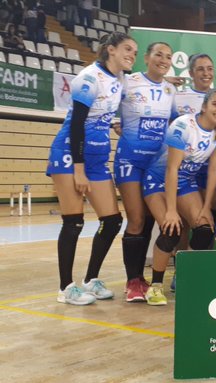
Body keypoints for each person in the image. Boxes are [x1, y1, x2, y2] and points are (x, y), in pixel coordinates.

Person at [46, 32, 137, 305]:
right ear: (110, 49)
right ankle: (66, 288)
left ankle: (90, 279)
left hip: (97, 158)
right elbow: (76, 125)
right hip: (70, 154)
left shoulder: (119, 79)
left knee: (112, 221)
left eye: (134, 50)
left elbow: (101, 115)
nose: (132, 54)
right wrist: (79, 168)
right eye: (127, 49)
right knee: (73, 221)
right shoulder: (88, 78)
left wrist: (115, 125)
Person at [142, 89, 216, 305]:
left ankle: (183, 276)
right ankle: (156, 287)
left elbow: (214, 169)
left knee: (205, 229)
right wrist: (171, 210)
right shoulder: (182, 126)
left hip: (185, 181)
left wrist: (206, 206)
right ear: (205, 106)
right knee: (171, 229)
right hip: (159, 180)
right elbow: (171, 169)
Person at [114, 42, 175, 302]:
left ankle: (143, 278)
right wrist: (117, 123)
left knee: (150, 219)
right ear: (147, 58)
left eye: (168, 57)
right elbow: (109, 108)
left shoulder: (171, 89)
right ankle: (133, 281)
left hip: (156, 163)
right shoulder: (128, 82)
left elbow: (173, 125)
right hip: (130, 160)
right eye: (158, 54)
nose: (163, 59)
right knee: (136, 219)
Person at [172, 53, 216, 223]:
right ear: (191, 73)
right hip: (184, 170)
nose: (206, 73)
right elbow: (170, 133)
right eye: (200, 69)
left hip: (210, 170)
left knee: (206, 221)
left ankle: (200, 250)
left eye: (209, 69)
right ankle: (179, 250)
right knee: (184, 222)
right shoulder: (178, 97)